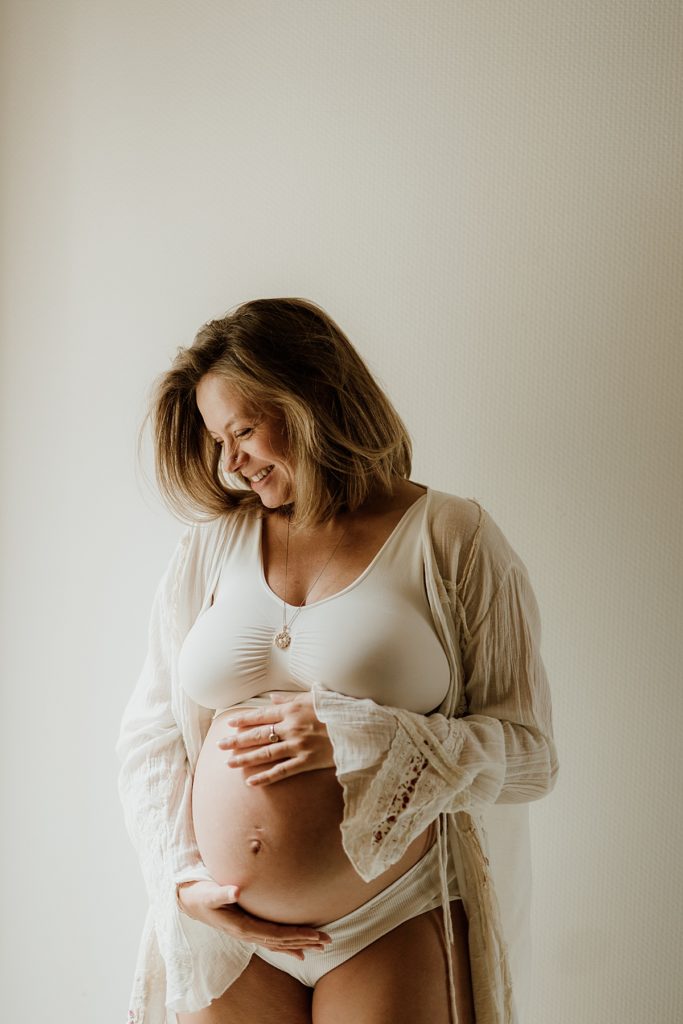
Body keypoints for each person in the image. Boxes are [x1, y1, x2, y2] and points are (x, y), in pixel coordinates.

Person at [116, 297, 558, 1024]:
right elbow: (151, 733)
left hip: (390, 919)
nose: (230, 463)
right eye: (217, 440)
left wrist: (361, 739)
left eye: (245, 431)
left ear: (311, 397)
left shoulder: (451, 538)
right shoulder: (208, 551)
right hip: (229, 939)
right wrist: (180, 880)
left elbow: (530, 757)